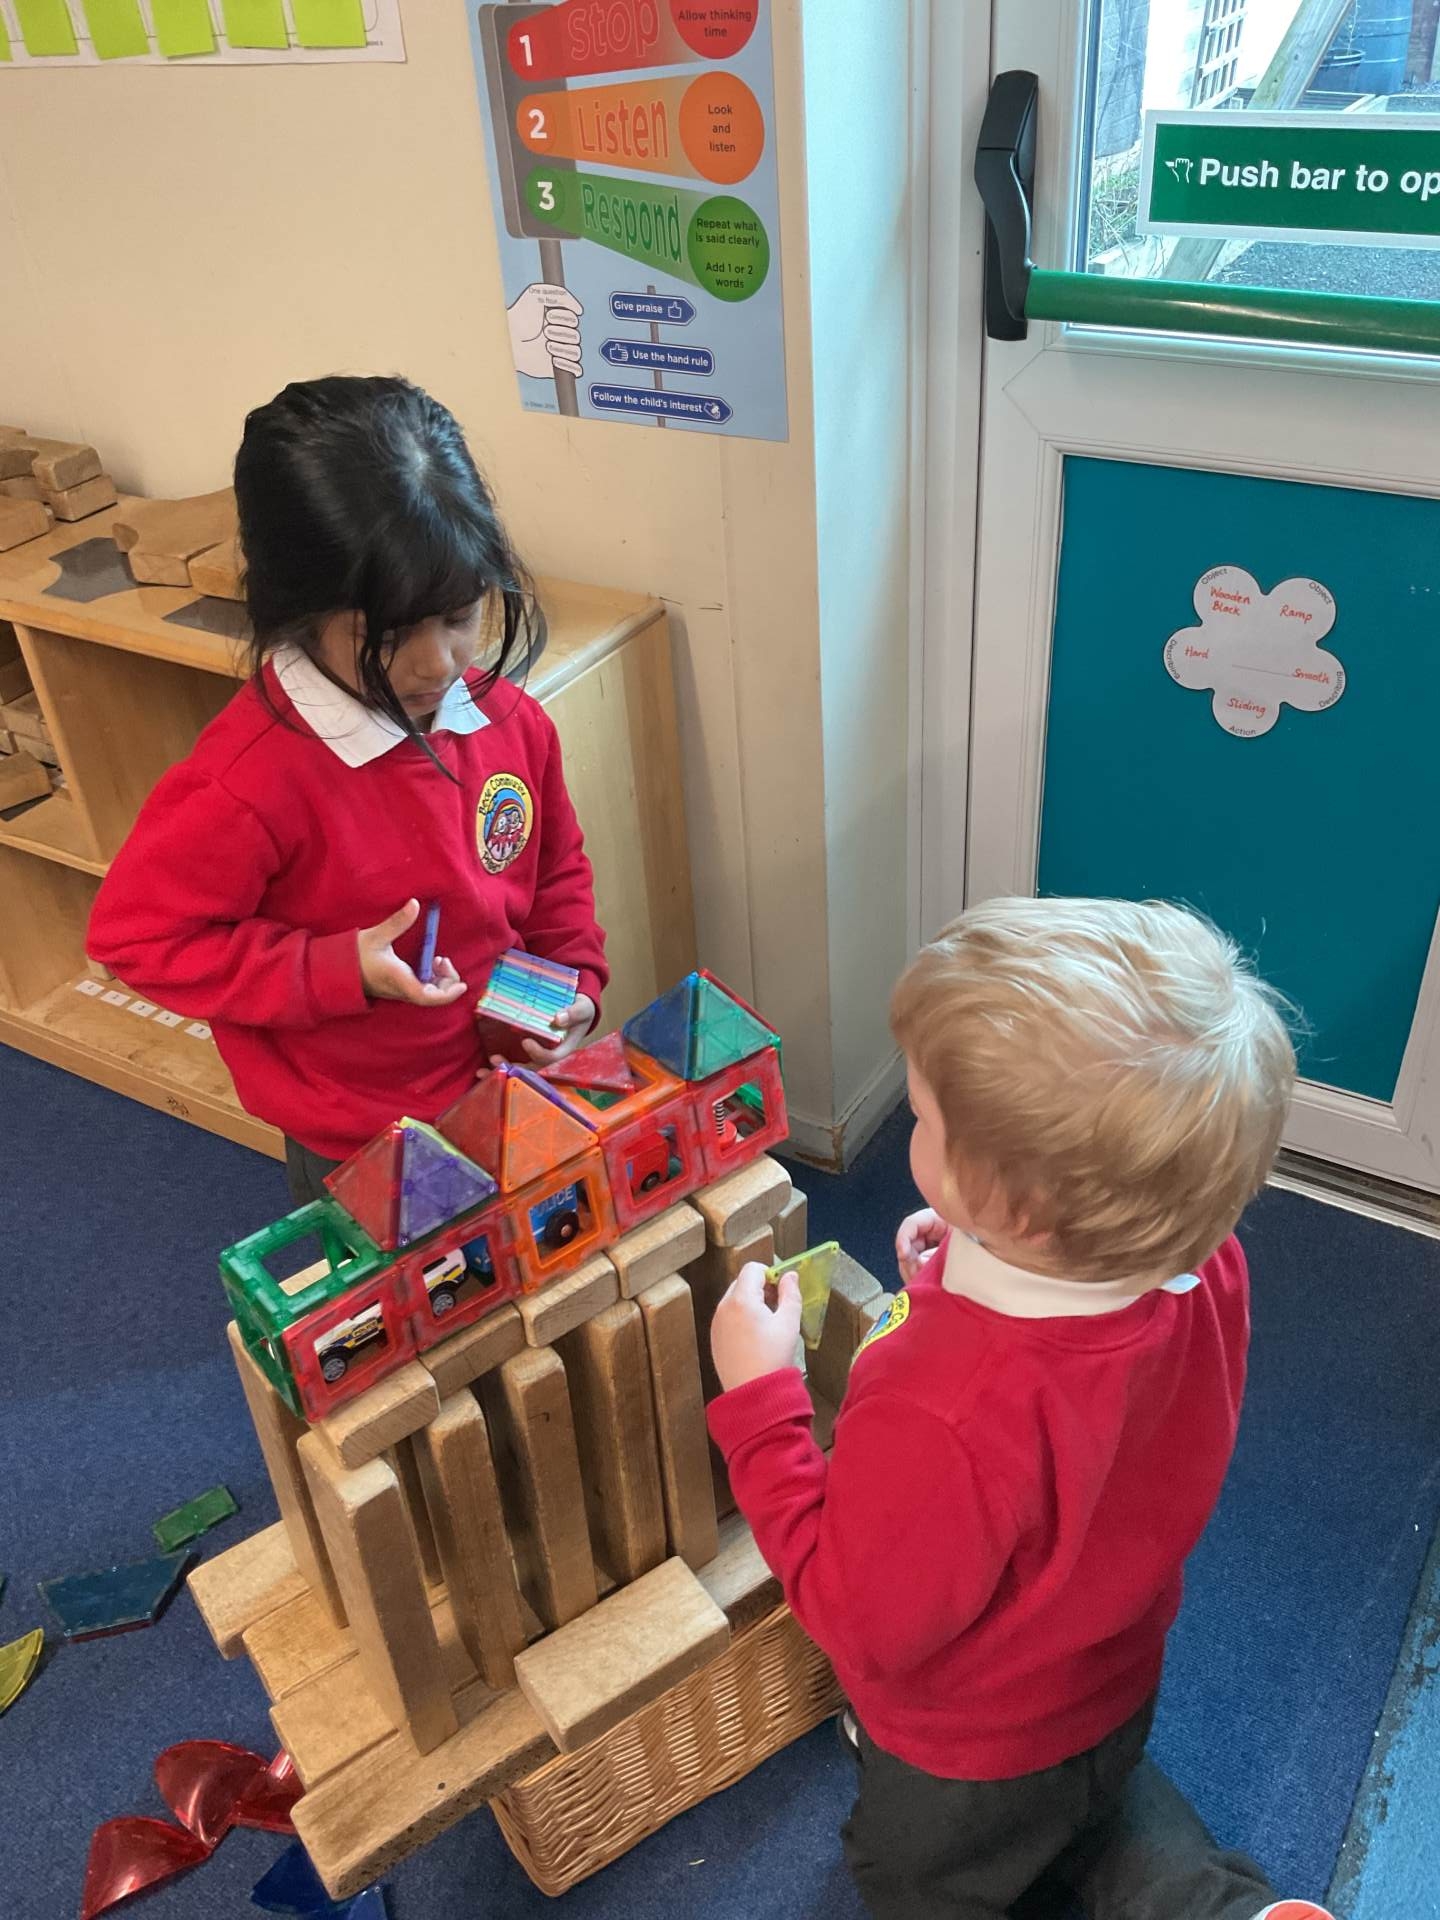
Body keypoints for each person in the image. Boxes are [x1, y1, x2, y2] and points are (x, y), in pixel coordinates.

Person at [709, 897, 1334, 1920]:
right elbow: (1081, 1374)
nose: (913, 1124)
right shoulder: (1211, 1264)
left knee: (921, 1880)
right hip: (1111, 1676)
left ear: (1016, 1208)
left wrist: (762, 1400)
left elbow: (857, 1621)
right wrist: (968, 1252)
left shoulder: (942, 1405)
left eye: (923, 1119)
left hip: (961, 1760)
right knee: (1104, 1817)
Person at [87, 376, 606, 1204]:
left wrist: (574, 986)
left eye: (461, 616)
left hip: (509, 1087)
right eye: (387, 636)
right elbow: (137, 940)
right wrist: (335, 969)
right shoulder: (249, 781)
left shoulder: (512, 722)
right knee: (407, 1284)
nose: (439, 663)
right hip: (362, 1138)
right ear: (299, 611)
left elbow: (554, 876)